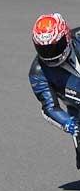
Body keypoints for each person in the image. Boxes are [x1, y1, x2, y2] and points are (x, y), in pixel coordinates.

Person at [29, 12, 80, 168]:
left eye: (55, 47)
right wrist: (69, 124)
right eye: (44, 50)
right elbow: (49, 108)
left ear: (66, 36)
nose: (51, 54)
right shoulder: (38, 73)